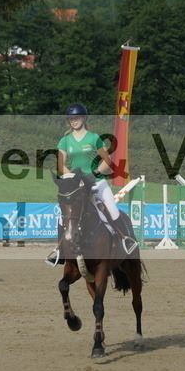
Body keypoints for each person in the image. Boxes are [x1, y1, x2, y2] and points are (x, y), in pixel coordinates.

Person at [46, 103, 138, 265]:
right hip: (76, 184)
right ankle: (60, 251)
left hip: (97, 183)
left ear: (84, 118)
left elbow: (107, 161)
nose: (74, 121)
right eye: (71, 119)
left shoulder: (94, 138)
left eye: (77, 118)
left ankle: (126, 241)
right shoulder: (65, 140)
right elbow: (61, 164)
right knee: (62, 218)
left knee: (112, 211)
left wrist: (93, 174)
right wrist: (72, 177)